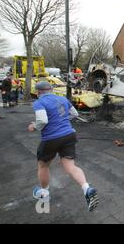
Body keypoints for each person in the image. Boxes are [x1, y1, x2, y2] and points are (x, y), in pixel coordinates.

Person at [28, 81, 99, 211]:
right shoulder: (62, 99)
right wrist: (62, 121)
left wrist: (34, 126)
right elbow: (75, 114)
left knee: (43, 165)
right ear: (51, 89)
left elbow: (42, 120)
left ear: (38, 92)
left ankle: (44, 193)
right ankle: (86, 188)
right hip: (69, 134)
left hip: (51, 138)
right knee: (70, 166)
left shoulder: (39, 102)